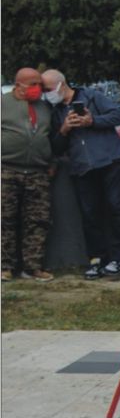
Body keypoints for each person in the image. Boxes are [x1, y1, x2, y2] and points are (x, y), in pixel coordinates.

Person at [42, 69, 120, 280]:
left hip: (110, 161)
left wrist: (93, 121)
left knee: (116, 208)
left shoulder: (92, 96)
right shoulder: (55, 112)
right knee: (90, 215)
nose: (46, 94)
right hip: (81, 167)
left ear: (62, 85)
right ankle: (97, 259)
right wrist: (63, 129)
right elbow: (56, 147)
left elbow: (119, 116)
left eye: (48, 89)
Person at [2, 68, 54, 281]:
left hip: (37, 172)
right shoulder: (3, 104)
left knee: (38, 220)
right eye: (33, 84)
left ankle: (33, 267)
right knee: (4, 219)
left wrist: (53, 161)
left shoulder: (44, 107)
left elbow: (49, 136)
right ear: (18, 86)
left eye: (40, 85)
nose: (38, 89)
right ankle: (5, 266)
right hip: (7, 169)